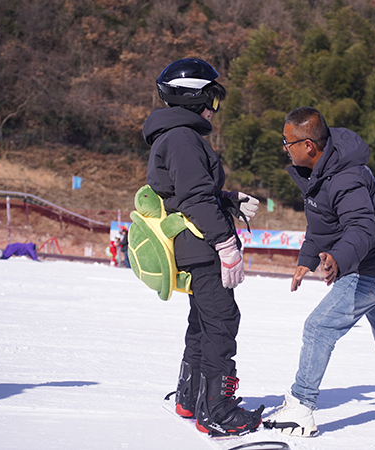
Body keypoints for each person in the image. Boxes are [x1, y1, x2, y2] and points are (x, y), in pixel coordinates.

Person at [263, 107, 375, 439]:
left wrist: (338, 258)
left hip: (373, 268)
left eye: (286, 141)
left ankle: (301, 407)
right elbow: (323, 223)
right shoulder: (320, 172)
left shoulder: (345, 176)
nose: (283, 148)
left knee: (319, 327)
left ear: (308, 146)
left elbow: (362, 226)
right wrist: (308, 258)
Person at [142, 58, 263, 437]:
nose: (214, 107)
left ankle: (190, 396)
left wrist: (227, 200)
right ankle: (217, 410)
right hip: (202, 244)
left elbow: (188, 192)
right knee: (222, 322)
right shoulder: (182, 138)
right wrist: (227, 243)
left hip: (194, 242)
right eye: (212, 98)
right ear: (194, 97)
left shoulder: (176, 136)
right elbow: (193, 198)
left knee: (204, 322)